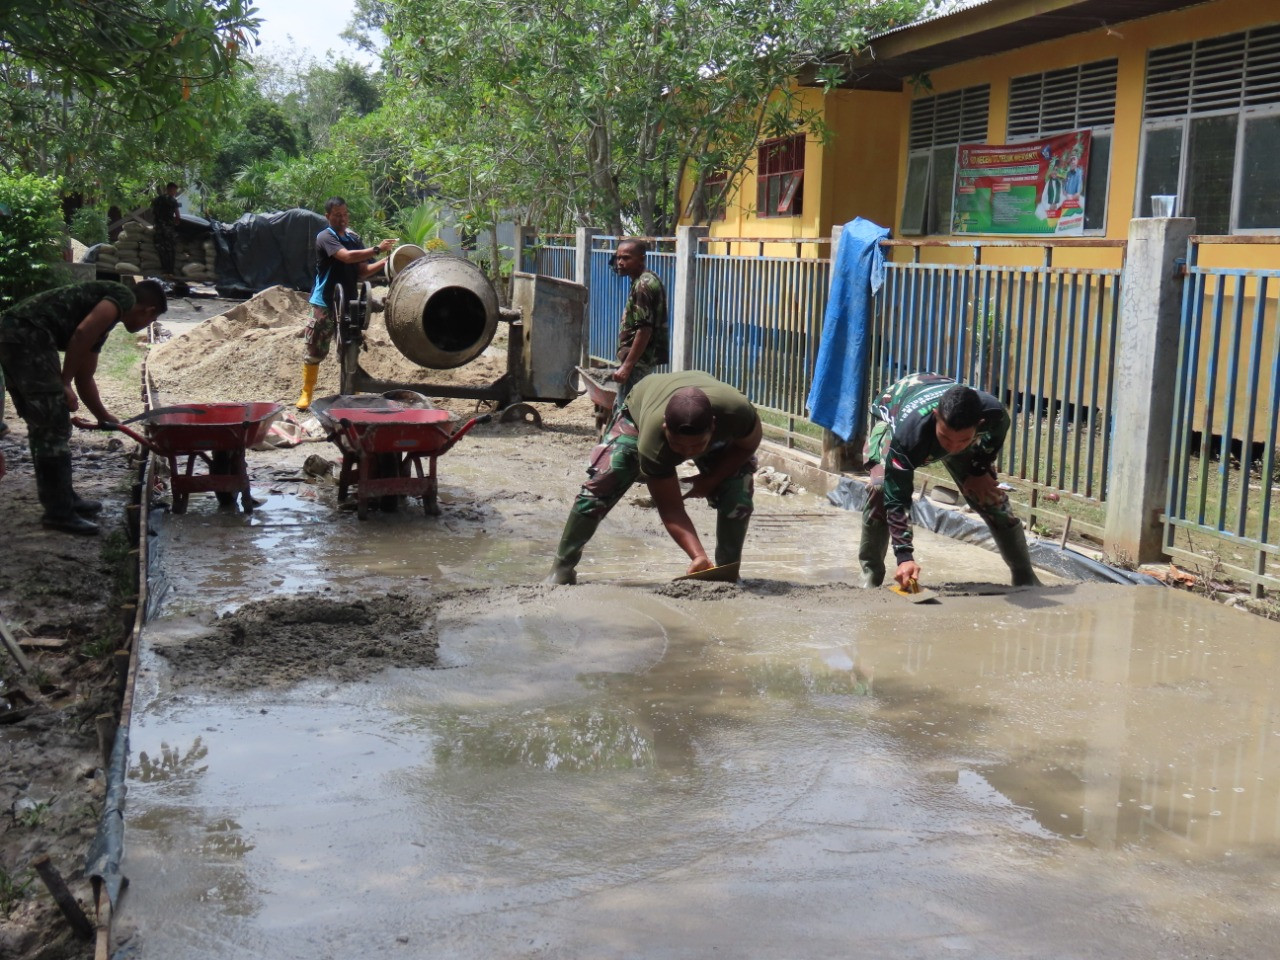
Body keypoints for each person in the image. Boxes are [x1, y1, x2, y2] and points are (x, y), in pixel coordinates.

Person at [546, 370, 761, 585]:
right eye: (678, 445)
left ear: (713, 426)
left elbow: (747, 446)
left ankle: (727, 572)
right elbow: (671, 509)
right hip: (640, 409)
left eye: (696, 446)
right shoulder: (652, 440)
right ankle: (562, 568)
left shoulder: (738, 413)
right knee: (602, 483)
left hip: (707, 406)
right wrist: (698, 556)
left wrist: (711, 480)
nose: (687, 453)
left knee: (737, 487)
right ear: (665, 427)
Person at [0, 279, 167, 534]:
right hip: (26, 334)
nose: (148, 324)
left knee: (48, 422)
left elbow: (85, 377)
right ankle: (59, 513)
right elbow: (81, 334)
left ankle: (64, 500)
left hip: (20, 335)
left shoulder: (103, 324)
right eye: (151, 320)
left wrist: (104, 416)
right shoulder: (122, 297)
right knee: (52, 424)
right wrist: (64, 383)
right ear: (149, 310)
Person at [859, 372, 1040, 589]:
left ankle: (1024, 576)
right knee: (880, 488)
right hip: (897, 410)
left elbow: (998, 431)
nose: (952, 447)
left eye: (962, 440)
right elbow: (897, 498)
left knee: (988, 493)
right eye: (945, 438)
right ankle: (871, 576)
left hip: (938, 408)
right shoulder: (908, 435)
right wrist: (904, 556)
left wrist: (979, 469)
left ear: (980, 423)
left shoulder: (993, 412)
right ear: (936, 416)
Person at [295, 197, 396, 410]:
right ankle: (307, 392)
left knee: (350, 347)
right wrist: (376, 249)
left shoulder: (353, 238)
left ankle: (352, 389)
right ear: (327, 216)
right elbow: (347, 257)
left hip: (349, 301)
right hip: (325, 302)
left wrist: (386, 261)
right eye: (337, 215)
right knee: (315, 348)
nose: (342, 219)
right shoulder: (325, 237)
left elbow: (363, 271)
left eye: (344, 214)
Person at [609, 239, 668, 409]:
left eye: (626, 258)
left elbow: (644, 330)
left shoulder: (643, 285)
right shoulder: (647, 279)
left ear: (641, 259)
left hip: (637, 362)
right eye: (618, 257)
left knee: (627, 411)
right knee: (629, 408)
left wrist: (627, 366)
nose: (620, 262)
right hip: (640, 360)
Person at [150, 182, 181, 275]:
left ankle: (163, 269)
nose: (175, 193)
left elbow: (153, 213)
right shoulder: (172, 200)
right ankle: (170, 270)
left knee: (160, 249)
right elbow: (177, 216)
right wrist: (176, 223)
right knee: (170, 249)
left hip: (158, 228)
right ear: (171, 189)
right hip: (168, 228)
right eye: (174, 191)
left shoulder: (157, 200)